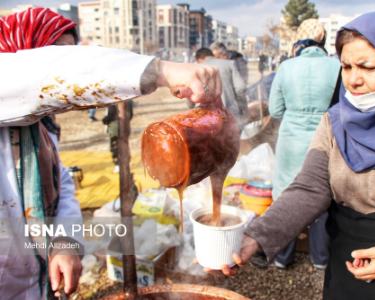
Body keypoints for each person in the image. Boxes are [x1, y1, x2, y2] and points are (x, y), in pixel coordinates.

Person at [225, 12, 375, 300]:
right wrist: (256, 237)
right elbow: (310, 187)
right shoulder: (335, 122)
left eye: (368, 67)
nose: (353, 80)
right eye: (345, 67)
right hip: (349, 268)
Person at [0, 7, 221, 299]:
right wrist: (163, 70)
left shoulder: (40, 129)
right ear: (23, 52)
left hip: (33, 282)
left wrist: (63, 242)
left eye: (73, 53)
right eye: (60, 55)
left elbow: (60, 181)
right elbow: (47, 75)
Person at [268, 19, 340, 269]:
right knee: (321, 192)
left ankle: (282, 256)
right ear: (324, 39)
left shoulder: (286, 68)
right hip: (324, 139)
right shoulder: (337, 67)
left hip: (290, 140)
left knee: (288, 193)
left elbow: (275, 110)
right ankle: (321, 258)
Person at [195, 48, 248, 127]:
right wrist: (243, 107)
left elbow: (191, 94)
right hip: (230, 112)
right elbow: (240, 88)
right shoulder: (229, 64)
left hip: (205, 116)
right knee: (231, 137)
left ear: (199, 59)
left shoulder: (196, 68)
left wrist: (191, 106)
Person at [102, 101, 134, 173]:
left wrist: (104, 120)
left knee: (115, 147)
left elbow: (110, 115)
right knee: (125, 146)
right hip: (125, 126)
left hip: (115, 128)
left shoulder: (113, 100)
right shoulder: (129, 100)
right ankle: (127, 162)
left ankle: (118, 165)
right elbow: (131, 115)